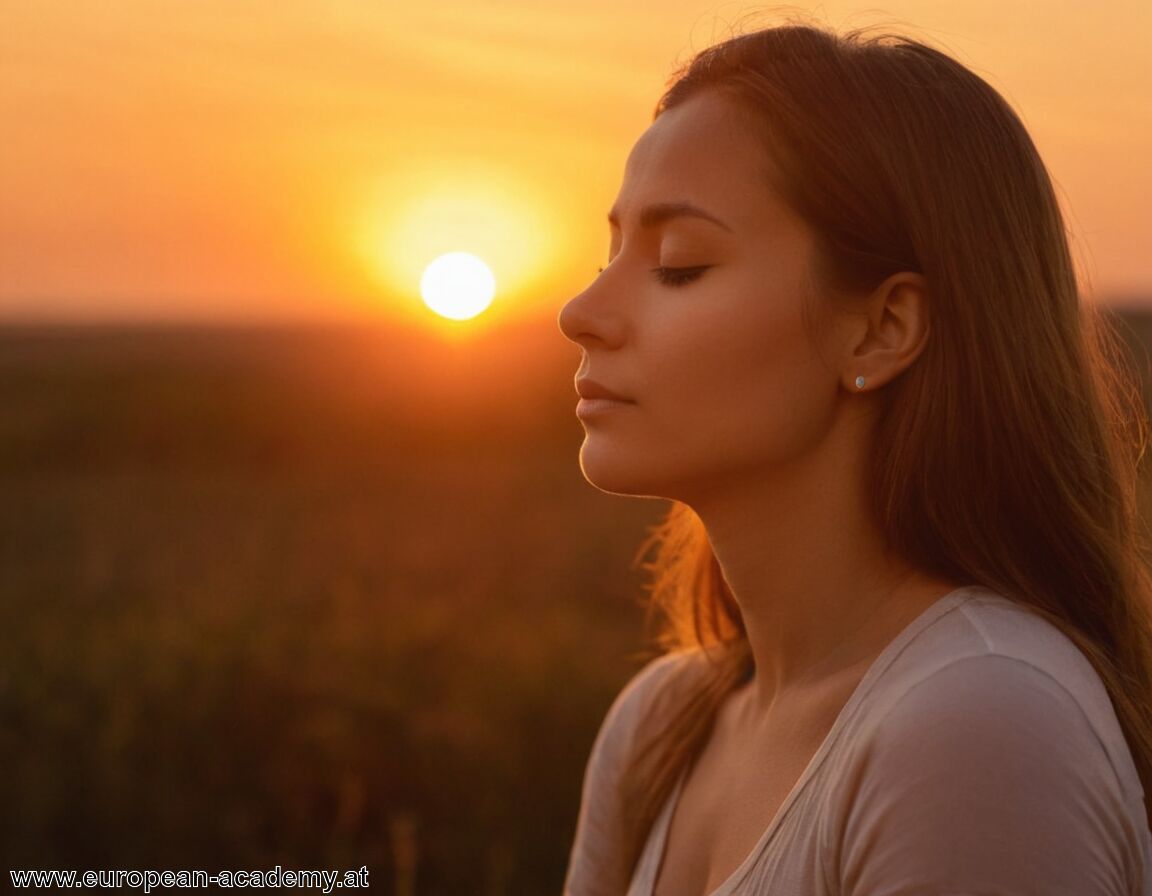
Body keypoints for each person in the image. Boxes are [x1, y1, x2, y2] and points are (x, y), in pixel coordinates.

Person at [556, 16, 1152, 896]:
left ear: (881, 328)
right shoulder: (660, 729)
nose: (581, 311)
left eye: (678, 263)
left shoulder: (979, 725)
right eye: (612, 253)